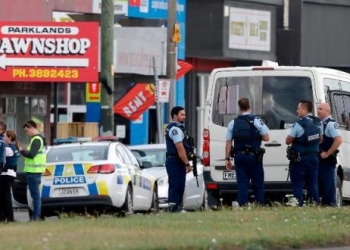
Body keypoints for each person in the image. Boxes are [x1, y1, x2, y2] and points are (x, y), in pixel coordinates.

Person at [225, 98, 270, 207]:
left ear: (239, 108)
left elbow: (228, 143)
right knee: (258, 183)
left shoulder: (233, 122)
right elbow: (266, 138)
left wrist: (227, 159)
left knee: (242, 183)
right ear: (250, 106)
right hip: (254, 156)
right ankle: (259, 206)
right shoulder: (256, 120)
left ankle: (243, 206)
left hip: (239, 156)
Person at [285, 100, 322, 206]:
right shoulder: (318, 122)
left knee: (297, 184)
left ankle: (299, 204)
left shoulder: (298, 124)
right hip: (314, 158)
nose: (297, 111)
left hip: (299, 159)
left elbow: (288, 141)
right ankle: (315, 204)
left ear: (305, 110)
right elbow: (320, 139)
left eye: (299, 108)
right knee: (313, 183)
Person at [165, 106, 192, 212]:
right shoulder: (175, 129)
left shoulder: (177, 128)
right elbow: (180, 148)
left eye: (184, 114)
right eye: (182, 115)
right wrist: (187, 164)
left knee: (179, 185)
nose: (184, 117)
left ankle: (176, 208)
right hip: (175, 161)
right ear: (175, 116)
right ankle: (174, 209)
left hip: (176, 161)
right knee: (176, 186)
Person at [20, 120, 46, 220]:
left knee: (35, 197)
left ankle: (36, 217)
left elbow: (31, 154)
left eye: (27, 131)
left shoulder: (36, 140)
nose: (26, 133)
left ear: (32, 128)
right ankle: (36, 216)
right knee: (35, 196)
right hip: (35, 172)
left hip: (34, 173)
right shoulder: (38, 139)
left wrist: (22, 151)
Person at [317, 103, 342, 206]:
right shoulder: (322, 123)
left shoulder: (331, 124)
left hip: (327, 161)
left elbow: (338, 140)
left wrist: (328, 153)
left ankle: (331, 205)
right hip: (320, 160)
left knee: (328, 184)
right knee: (322, 184)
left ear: (328, 111)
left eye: (321, 109)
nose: (318, 111)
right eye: (318, 108)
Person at [0, 130, 20, 222]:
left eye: (5, 136)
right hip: (10, 174)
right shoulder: (14, 147)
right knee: (5, 196)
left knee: (5, 197)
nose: (3, 138)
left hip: (6, 174)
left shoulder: (8, 148)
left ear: (9, 138)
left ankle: (9, 218)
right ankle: (6, 217)